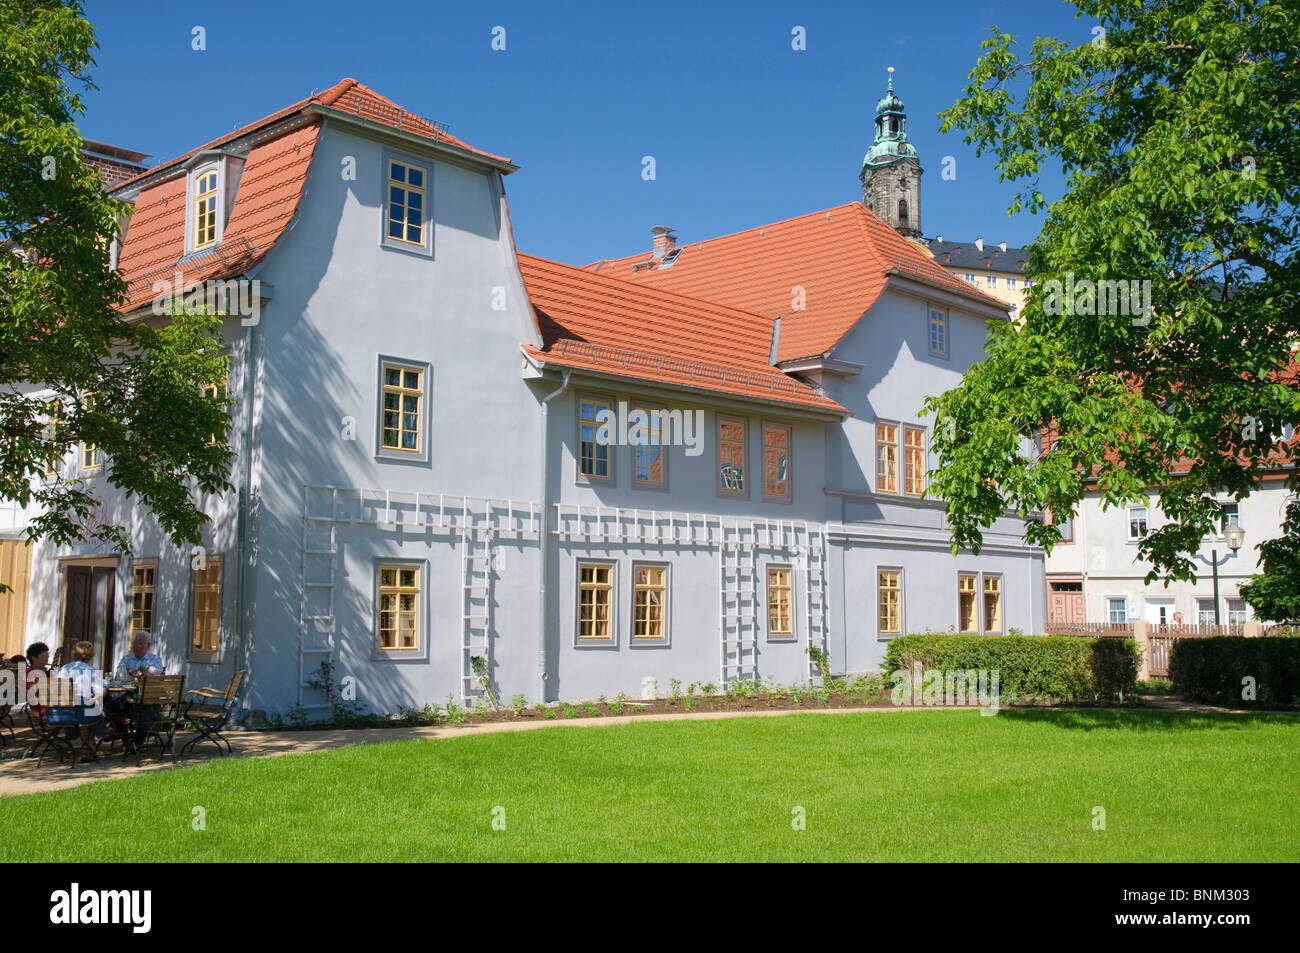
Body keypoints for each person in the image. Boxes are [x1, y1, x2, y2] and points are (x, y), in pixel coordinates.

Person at [51, 641, 106, 762]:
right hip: (81, 713)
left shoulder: (64, 669)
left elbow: (55, 689)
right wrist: (95, 700)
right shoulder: (91, 670)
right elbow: (101, 691)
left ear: (74, 654)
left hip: (63, 712)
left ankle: (88, 747)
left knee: (88, 711)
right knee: (98, 714)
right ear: (91, 655)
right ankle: (90, 747)